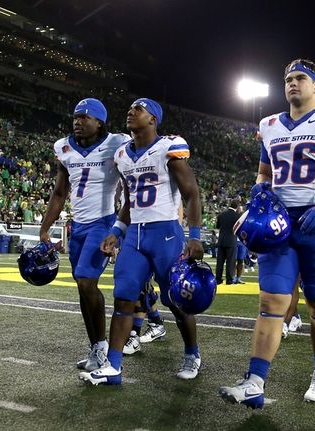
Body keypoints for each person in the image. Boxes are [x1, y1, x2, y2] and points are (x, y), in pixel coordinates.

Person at [218, 59, 315, 407]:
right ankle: (254, 382)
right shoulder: (269, 125)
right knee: (271, 302)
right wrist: (260, 189)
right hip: (278, 222)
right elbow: (264, 173)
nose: (293, 84)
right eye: (288, 79)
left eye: (300, 78)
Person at [80, 97, 205, 385]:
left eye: (139, 109)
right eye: (130, 109)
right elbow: (128, 201)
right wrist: (117, 231)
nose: (131, 112)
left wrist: (194, 236)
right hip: (134, 235)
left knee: (176, 300)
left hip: (165, 234)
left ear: (153, 119)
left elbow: (192, 193)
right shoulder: (123, 154)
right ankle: (113, 366)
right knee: (123, 298)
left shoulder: (168, 147)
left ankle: (192, 353)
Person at [39, 98, 128, 371]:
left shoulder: (117, 143)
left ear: (99, 122)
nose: (78, 121)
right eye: (76, 117)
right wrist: (45, 228)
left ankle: (103, 349)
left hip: (103, 222)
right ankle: (95, 347)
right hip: (77, 225)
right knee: (81, 286)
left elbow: (129, 184)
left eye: (85, 117)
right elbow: (59, 192)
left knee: (87, 281)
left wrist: (122, 227)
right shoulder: (64, 148)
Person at [215, 199, 240, 284]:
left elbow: (217, 226)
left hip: (221, 240)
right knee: (230, 261)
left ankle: (218, 279)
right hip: (231, 240)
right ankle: (229, 279)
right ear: (237, 207)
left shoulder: (222, 215)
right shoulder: (237, 216)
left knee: (220, 261)